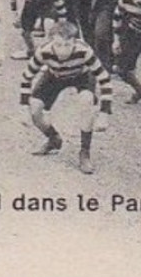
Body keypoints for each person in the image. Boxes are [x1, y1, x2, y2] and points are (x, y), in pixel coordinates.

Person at [20, 19, 112, 175]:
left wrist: (104, 113)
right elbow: (26, 77)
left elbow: (104, 78)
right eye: (58, 45)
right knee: (34, 109)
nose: (63, 50)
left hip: (80, 76)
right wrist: (23, 108)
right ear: (51, 42)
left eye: (67, 45)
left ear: (75, 42)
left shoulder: (84, 51)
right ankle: (53, 139)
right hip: (54, 76)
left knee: (86, 101)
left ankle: (84, 152)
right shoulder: (43, 51)